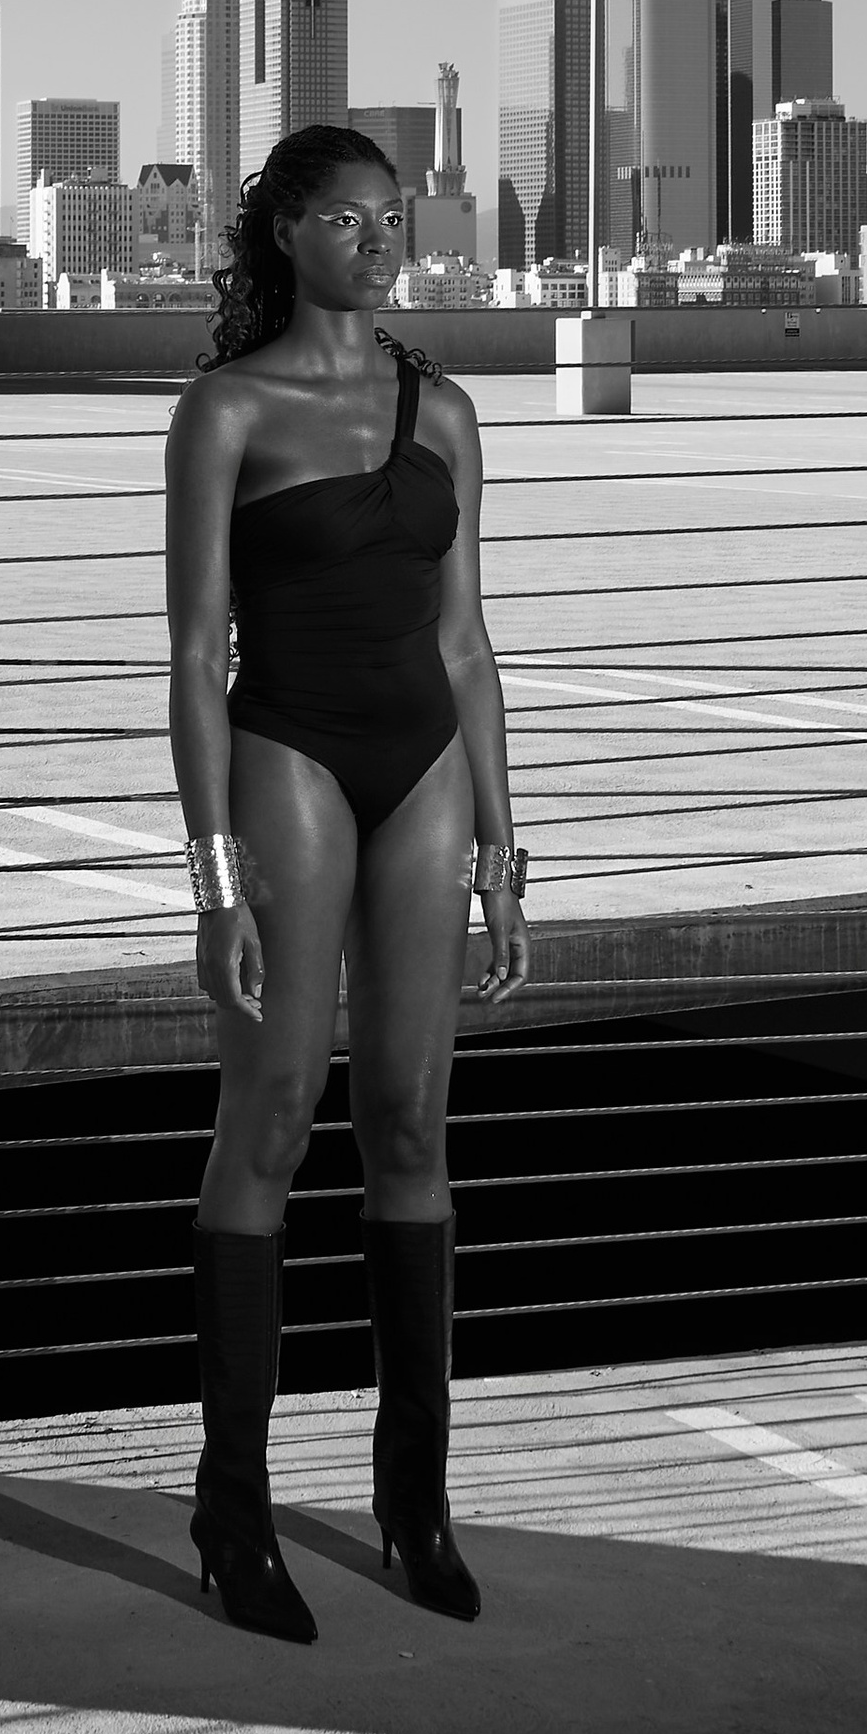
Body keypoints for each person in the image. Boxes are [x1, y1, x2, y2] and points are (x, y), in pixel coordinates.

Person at [166, 122, 531, 1642]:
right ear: (285, 235)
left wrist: (510, 854)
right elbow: (193, 655)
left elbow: (467, 643)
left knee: (410, 1121)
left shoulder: (441, 412)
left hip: (426, 763)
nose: (382, 244)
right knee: (272, 1114)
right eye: (347, 220)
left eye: (395, 221)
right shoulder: (225, 410)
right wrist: (211, 879)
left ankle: (414, 1503)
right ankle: (233, 1513)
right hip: (291, 756)